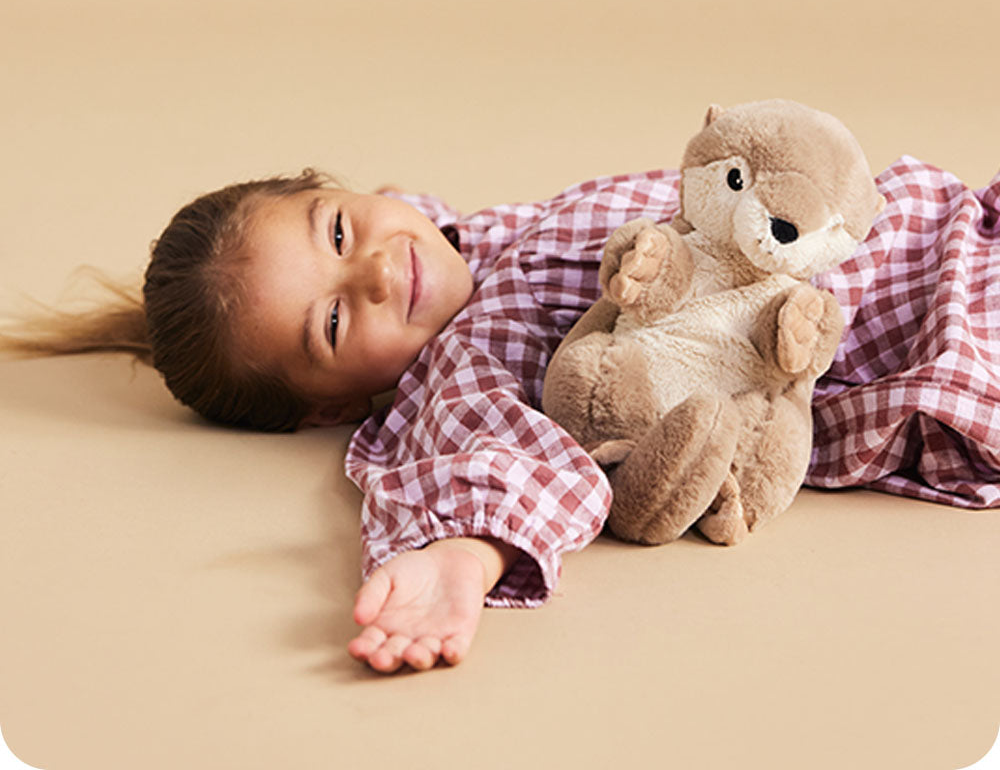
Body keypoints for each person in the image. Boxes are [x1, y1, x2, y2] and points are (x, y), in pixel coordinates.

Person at [3, 157, 999, 674]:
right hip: (918, 338)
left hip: (924, 224)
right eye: (337, 318)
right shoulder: (462, 368)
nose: (376, 271)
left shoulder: (483, 230)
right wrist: (462, 556)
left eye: (341, 229)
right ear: (336, 401)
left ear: (355, 187)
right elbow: (498, 458)